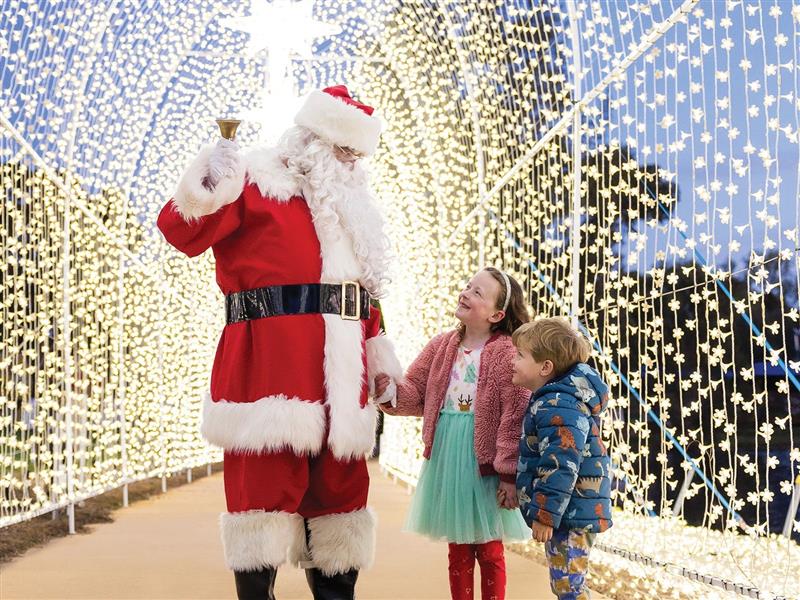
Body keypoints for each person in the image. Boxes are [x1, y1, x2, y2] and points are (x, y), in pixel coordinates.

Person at [157, 85, 403, 600]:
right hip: (268, 376)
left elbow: (364, 300)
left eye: (358, 154)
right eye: (343, 149)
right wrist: (212, 176)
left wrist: (380, 359)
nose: (351, 162)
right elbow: (180, 231)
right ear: (311, 137)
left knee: (340, 508)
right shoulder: (255, 180)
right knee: (261, 506)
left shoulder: (353, 210)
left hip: (344, 390)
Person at [374, 267, 531, 600]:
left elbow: (513, 415)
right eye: (467, 286)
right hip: (448, 453)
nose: (466, 293)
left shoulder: (506, 353)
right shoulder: (442, 345)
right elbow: (415, 389)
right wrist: (391, 392)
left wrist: (508, 473)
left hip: (483, 459)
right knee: (458, 548)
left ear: (497, 314)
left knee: (488, 548)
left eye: (478, 293)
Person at [511, 317, 613, 600]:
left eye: (520, 355)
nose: (513, 360)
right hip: (569, 510)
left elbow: (561, 464)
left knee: (569, 587)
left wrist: (545, 514)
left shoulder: (558, 403)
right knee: (567, 584)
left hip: (568, 513)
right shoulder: (554, 399)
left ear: (545, 367)